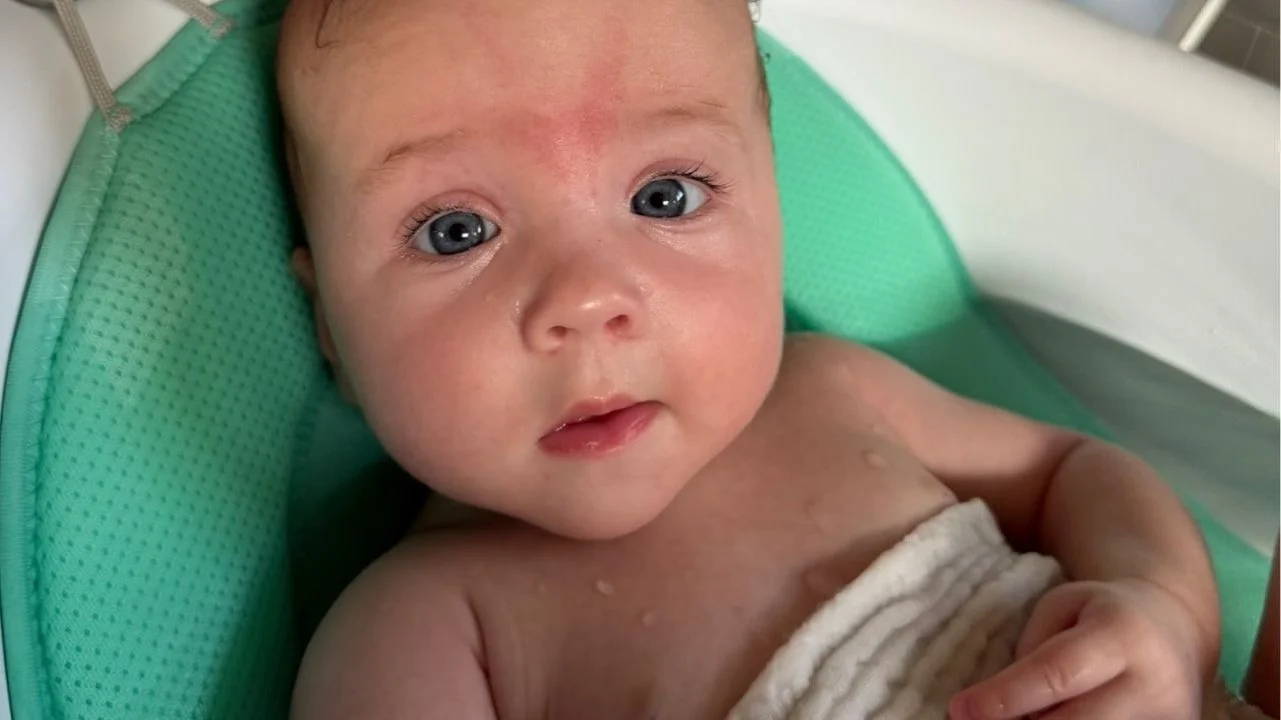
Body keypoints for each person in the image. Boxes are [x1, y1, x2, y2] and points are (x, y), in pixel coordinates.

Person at [275, 0, 1271, 716]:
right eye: (456, 231)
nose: (587, 302)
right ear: (333, 329)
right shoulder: (427, 625)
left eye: (664, 198)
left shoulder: (836, 390)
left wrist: (1167, 616)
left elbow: (1075, 470)